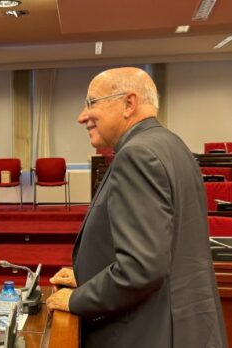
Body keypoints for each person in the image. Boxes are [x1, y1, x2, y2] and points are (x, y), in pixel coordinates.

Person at [46, 67, 228, 348]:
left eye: (91, 103)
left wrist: (77, 298)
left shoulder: (137, 155)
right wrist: (87, 276)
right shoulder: (173, 144)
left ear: (128, 104)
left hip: (148, 331)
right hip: (184, 325)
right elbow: (161, 245)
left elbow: (140, 268)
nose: (82, 116)